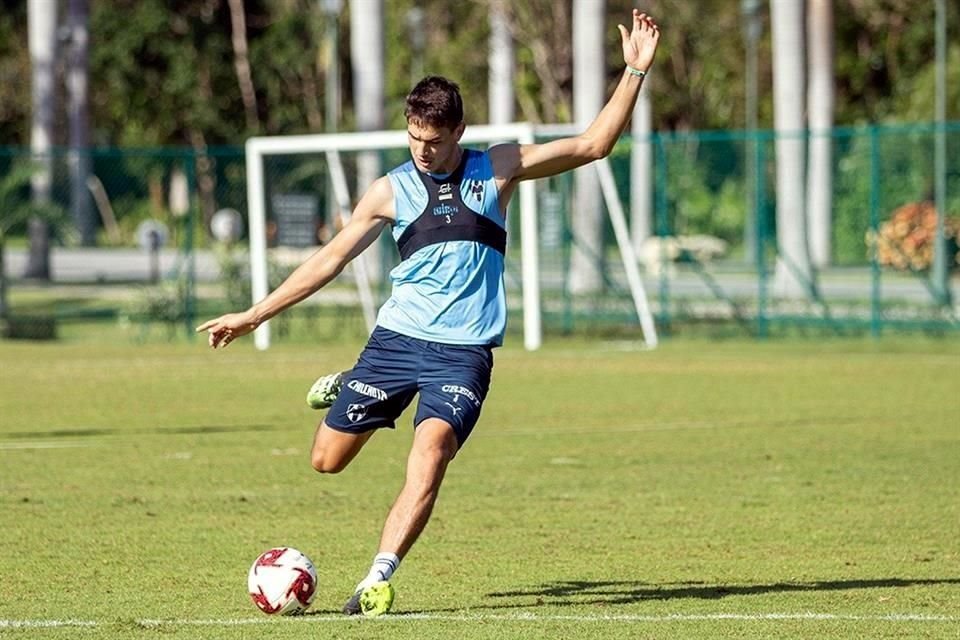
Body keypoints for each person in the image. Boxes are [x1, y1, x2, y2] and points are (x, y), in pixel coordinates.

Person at [197, 9, 660, 617]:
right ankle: (349, 384)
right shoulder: (389, 190)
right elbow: (330, 259)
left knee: (430, 453)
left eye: (434, 140)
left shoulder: (497, 168)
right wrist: (256, 314)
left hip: (462, 355)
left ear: (458, 131)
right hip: (395, 343)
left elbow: (594, 145)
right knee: (325, 461)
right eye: (413, 136)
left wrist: (632, 71)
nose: (421, 149)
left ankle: (377, 579)